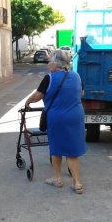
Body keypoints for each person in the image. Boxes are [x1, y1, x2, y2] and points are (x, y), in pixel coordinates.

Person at [25, 49, 87, 194]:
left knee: (56, 147)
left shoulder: (49, 78)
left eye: (50, 61)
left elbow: (38, 96)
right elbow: (82, 93)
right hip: (76, 116)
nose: (48, 64)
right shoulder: (76, 76)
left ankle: (58, 179)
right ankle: (77, 183)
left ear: (56, 63)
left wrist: (28, 101)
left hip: (58, 117)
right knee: (72, 151)